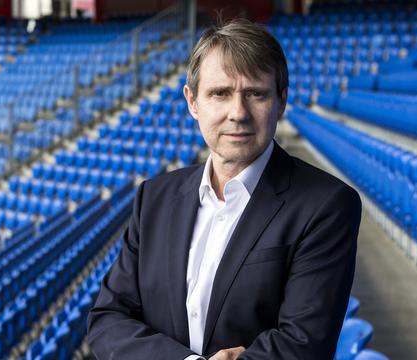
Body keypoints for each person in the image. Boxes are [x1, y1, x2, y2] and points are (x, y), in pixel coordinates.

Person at [87, 18, 362, 360]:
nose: (238, 113)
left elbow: (304, 344)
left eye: (255, 94)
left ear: (281, 101)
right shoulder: (153, 198)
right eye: (220, 93)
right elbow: (108, 320)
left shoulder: (327, 205)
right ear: (193, 102)